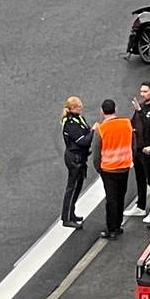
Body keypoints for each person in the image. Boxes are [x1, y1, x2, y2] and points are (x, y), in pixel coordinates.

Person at [95, 98, 135, 240]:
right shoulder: (126, 123)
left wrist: (98, 168)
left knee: (111, 199)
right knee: (120, 196)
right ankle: (118, 225)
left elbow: (96, 152)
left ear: (102, 111)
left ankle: (111, 229)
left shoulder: (101, 129)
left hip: (109, 169)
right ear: (115, 109)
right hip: (124, 166)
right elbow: (133, 143)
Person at [128, 83, 150, 215]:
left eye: (145, 91)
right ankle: (140, 206)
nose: (142, 94)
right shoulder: (141, 106)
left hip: (149, 149)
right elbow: (134, 122)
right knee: (139, 178)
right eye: (141, 91)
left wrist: (139, 111)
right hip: (138, 148)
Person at [58, 97, 91, 229]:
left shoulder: (79, 118)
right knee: (71, 188)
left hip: (80, 157)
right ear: (71, 109)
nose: (80, 109)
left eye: (81, 106)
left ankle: (71, 213)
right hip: (74, 158)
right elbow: (82, 140)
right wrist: (93, 131)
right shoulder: (71, 123)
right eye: (77, 107)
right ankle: (66, 217)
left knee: (77, 187)